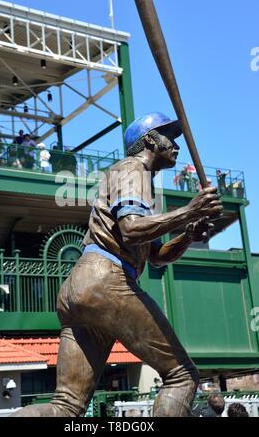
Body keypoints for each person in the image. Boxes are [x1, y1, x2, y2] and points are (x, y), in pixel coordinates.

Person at [12, 112, 222, 417]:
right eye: (169, 137)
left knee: (67, 407)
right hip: (106, 279)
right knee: (181, 376)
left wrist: (188, 234)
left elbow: (157, 256)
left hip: (82, 287)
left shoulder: (136, 180)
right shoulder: (132, 169)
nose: (176, 145)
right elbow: (131, 229)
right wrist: (189, 211)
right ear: (150, 140)